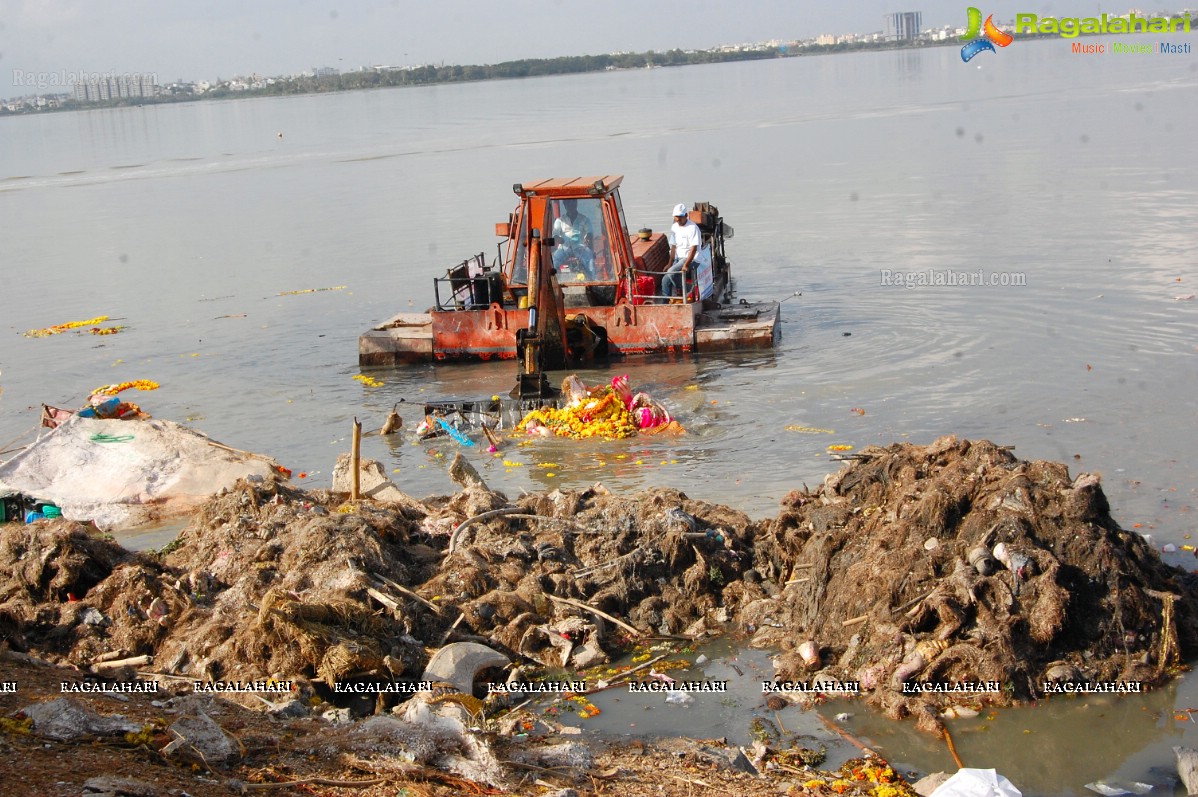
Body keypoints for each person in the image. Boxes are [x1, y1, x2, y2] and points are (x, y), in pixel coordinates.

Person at [663, 203, 701, 300]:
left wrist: (686, 264)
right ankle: (665, 303)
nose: (678, 219)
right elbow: (673, 246)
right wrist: (669, 263)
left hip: (691, 259)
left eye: (680, 217)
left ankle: (689, 289)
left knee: (671, 272)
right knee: (665, 280)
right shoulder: (674, 227)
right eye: (676, 217)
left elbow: (693, 248)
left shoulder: (693, 228)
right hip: (679, 258)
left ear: (686, 216)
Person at [551, 199, 596, 280]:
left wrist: (588, 238)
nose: (570, 206)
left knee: (589, 260)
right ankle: (552, 282)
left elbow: (589, 232)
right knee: (554, 261)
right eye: (568, 204)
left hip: (581, 248)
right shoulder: (560, 220)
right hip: (564, 248)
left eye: (572, 203)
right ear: (565, 205)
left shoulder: (584, 219)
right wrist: (558, 239)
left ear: (576, 204)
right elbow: (555, 233)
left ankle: (593, 282)